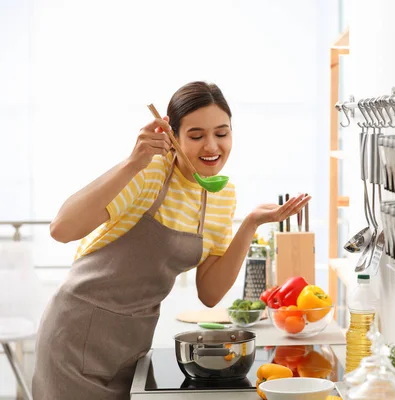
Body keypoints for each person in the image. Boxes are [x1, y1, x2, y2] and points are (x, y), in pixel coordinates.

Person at [32, 81, 311, 399]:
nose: (212, 147)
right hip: (73, 338)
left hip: (131, 347)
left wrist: (249, 225)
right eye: (196, 136)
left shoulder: (221, 195)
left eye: (221, 133)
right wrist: (131, 163)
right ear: (173, 136)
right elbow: (62, 229)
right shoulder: (149, 172)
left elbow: (210, 292)